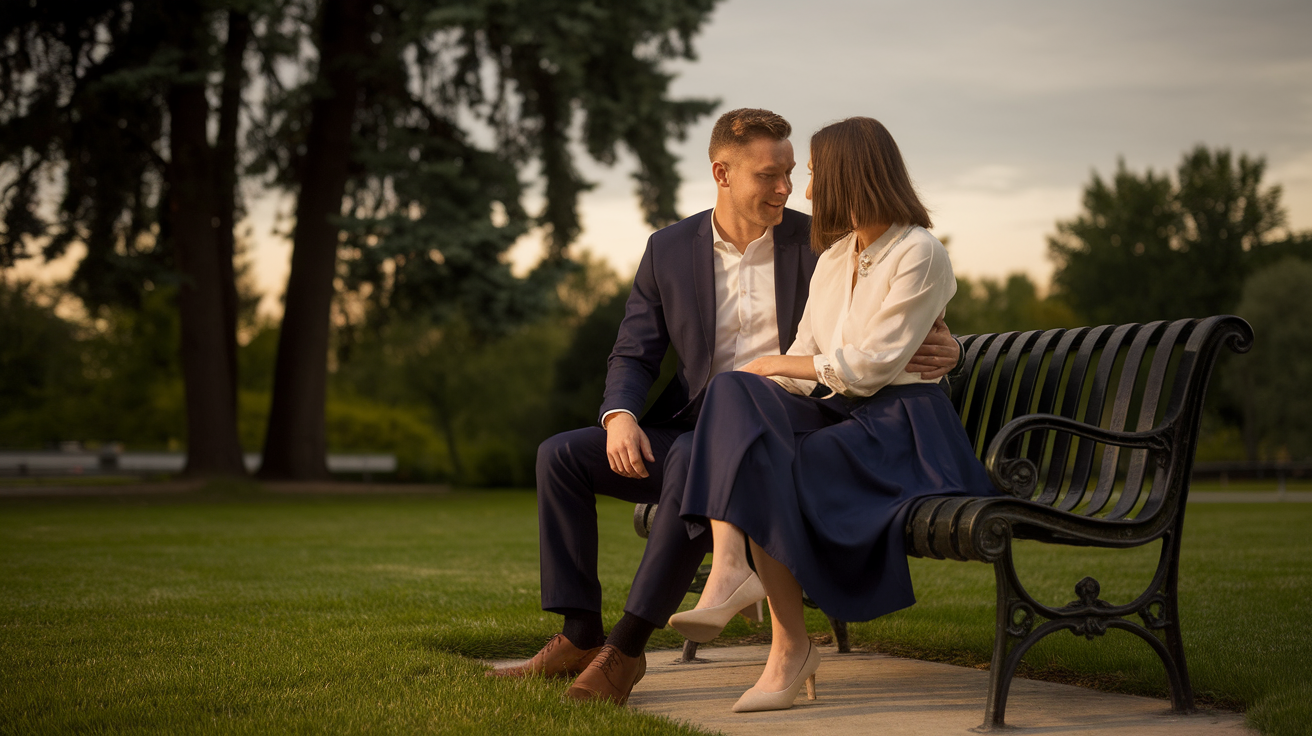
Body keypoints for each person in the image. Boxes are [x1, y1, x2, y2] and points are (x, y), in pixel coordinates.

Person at [488, 109, 963, 705]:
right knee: (559, 455)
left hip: (786, 426)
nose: (788, 188)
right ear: (723, 173)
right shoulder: (668, 249)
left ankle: (626, 649)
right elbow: (634, 353)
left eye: (793, 172)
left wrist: (954, 349)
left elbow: (889, 325)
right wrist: (622, 417)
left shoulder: (820, 241)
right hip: (701, 422)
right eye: (770, 175)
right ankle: (581, 634)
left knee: (699, 454)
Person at [670, 116, 998, 713]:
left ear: (854, 176)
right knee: (732, 393)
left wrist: (774, 367)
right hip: (849, 416)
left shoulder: (919, 253)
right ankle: (732, 573)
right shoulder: (835, 257)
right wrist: (755, 381)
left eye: (816, 174)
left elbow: (868, 367)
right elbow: (803, 356)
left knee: (773, 451)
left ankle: (789, 647)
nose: (809, 191)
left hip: (905, 432)